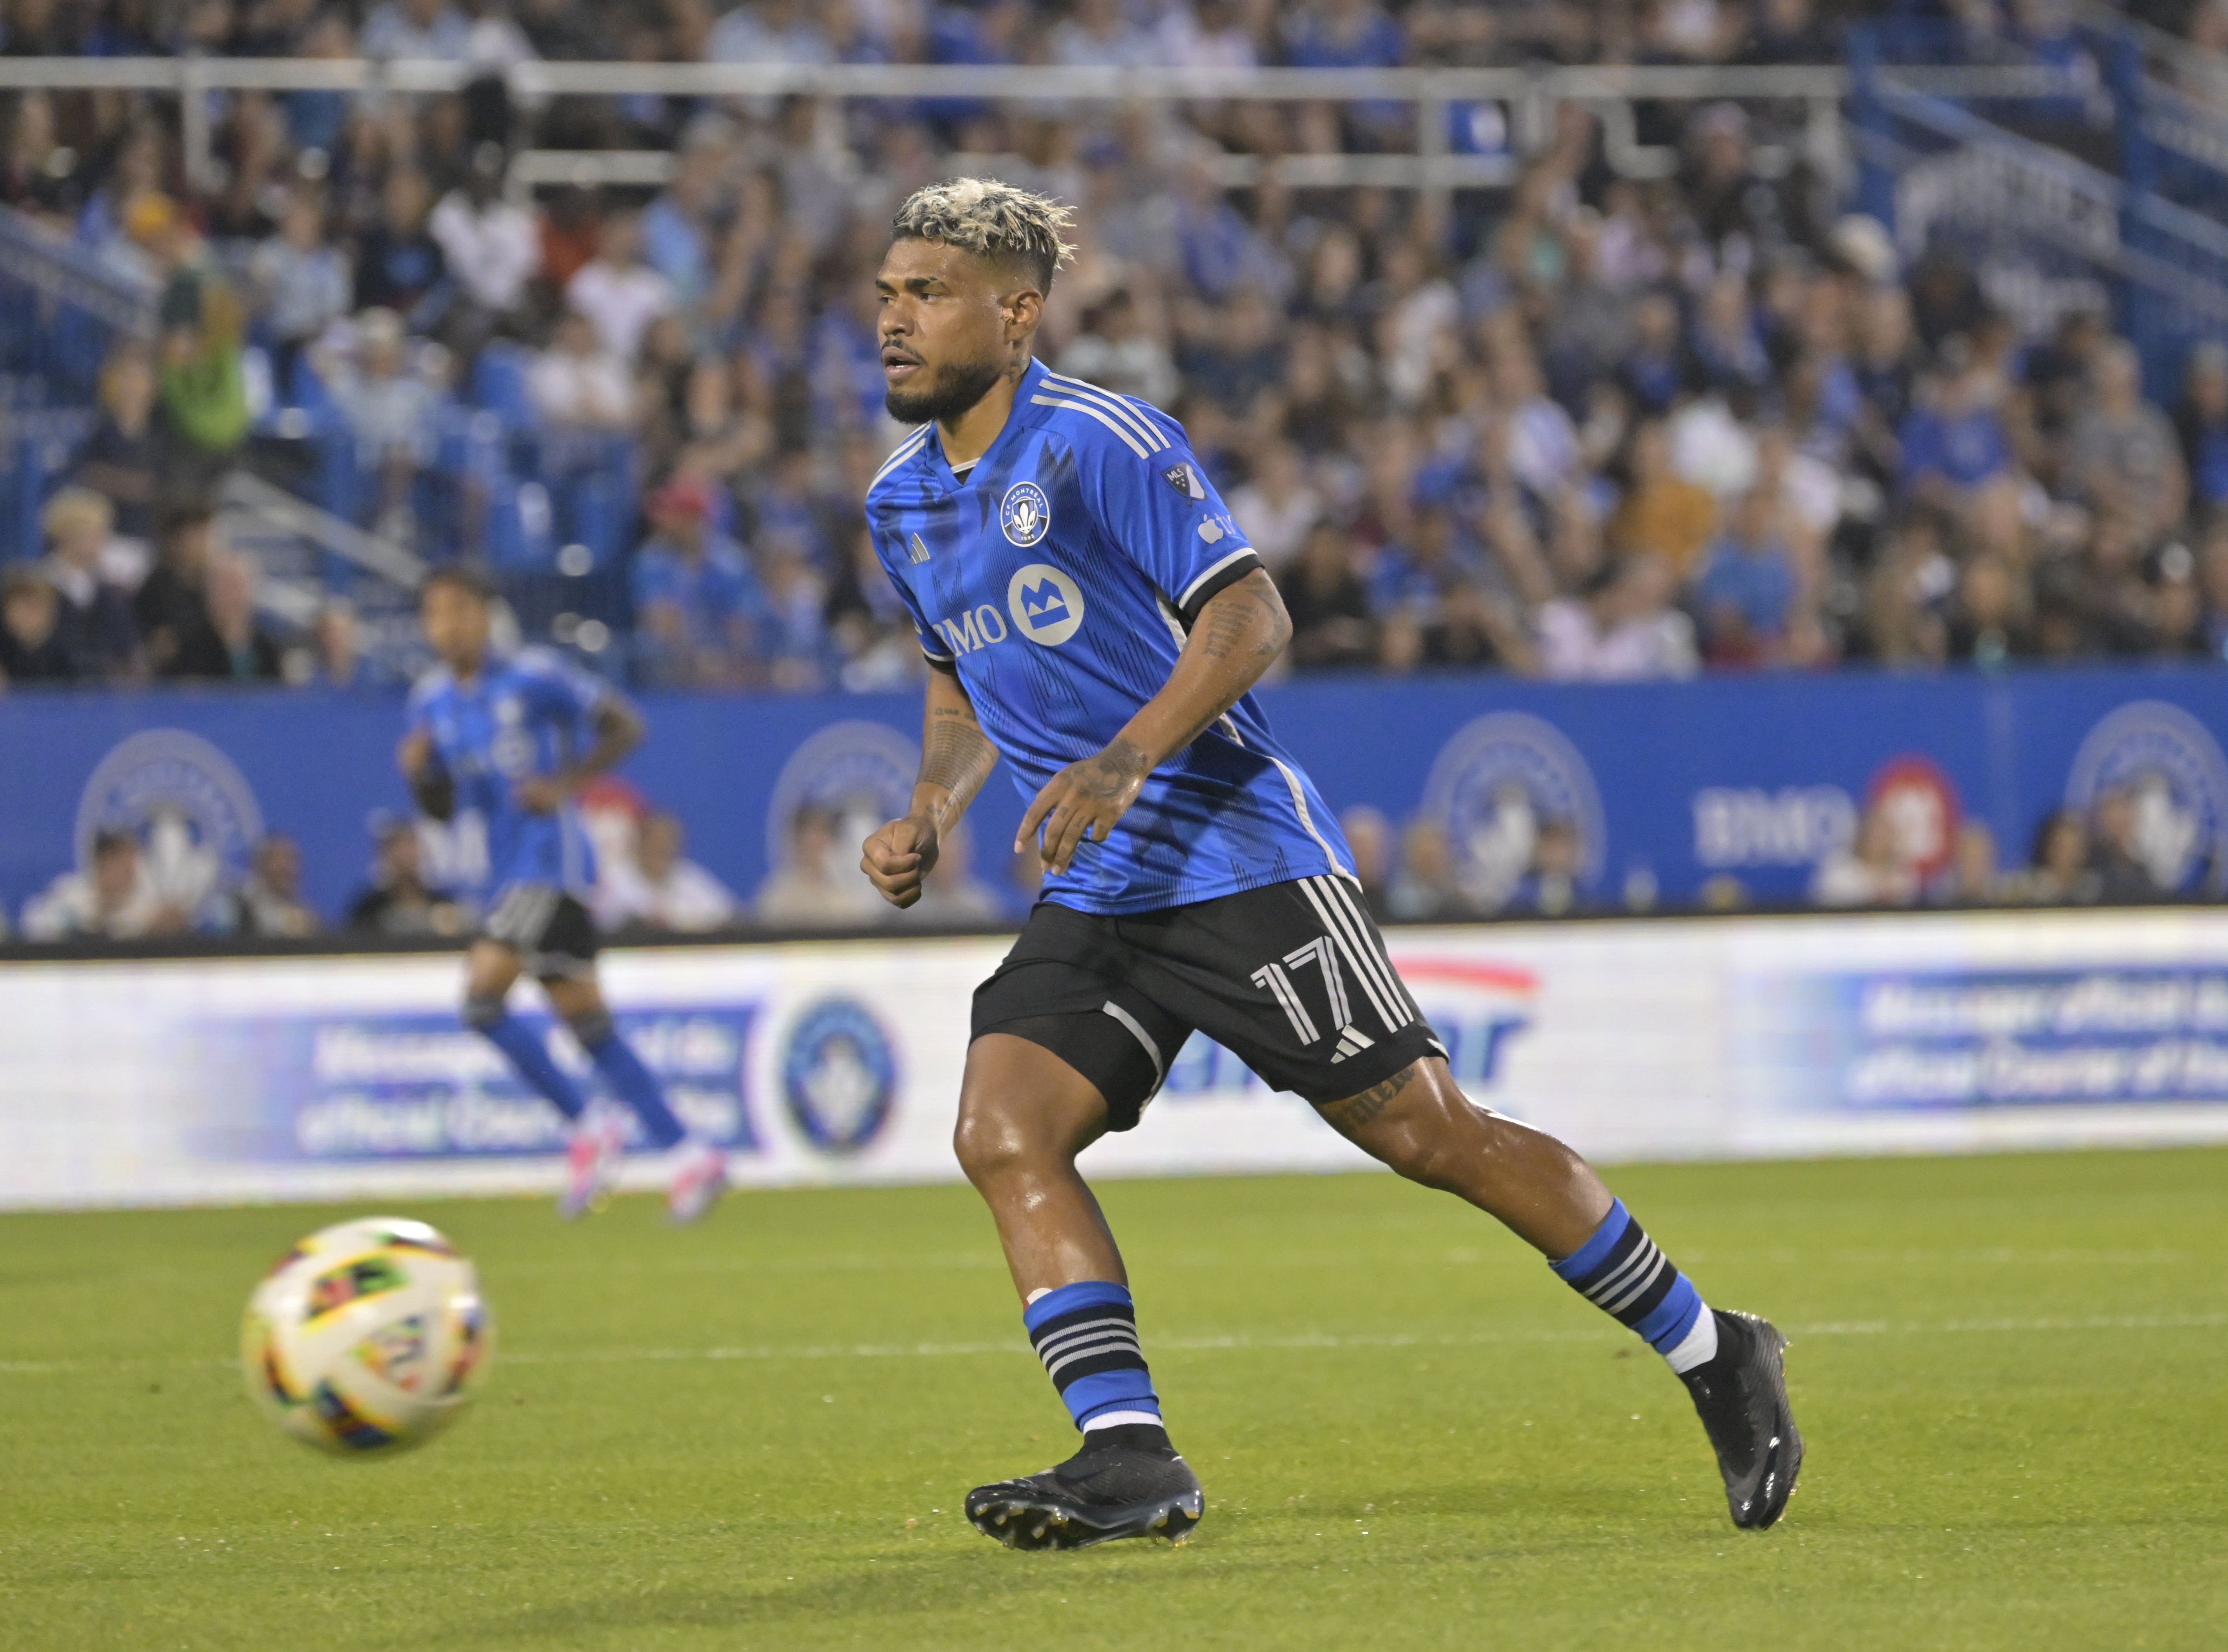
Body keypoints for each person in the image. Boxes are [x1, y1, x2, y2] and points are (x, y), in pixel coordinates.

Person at [856, 179, 1800, 1551]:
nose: (893, 320)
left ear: (1016, 313)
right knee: (1004, 1130)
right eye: (886, 293)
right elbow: (956, 687)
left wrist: (1124, 758)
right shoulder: (899, 504)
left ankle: (1717, 1347)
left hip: (1234, 852)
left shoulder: (1099, 441)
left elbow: (1250, 613)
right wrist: (931, 806)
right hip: (1104, 890)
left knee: (1427, 1133)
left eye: (925, 294)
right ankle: (1129, 1456)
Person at [399, 566, 728, 1223]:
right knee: (588, 1024)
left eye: (461, 610)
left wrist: (566, 782)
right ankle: (690, 1154)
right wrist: (420, 775)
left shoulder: (534, 676)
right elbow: (440, 810)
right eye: (436, 615)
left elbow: (625, 725)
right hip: (510, 872)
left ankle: (587, 1122)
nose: (449, 626)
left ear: (485, 614)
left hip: (550, 863)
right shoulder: (432, 702)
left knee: (480, 997)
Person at [595, 810, 739, 934]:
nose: (662, 849)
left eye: (668, 844)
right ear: (640, 842)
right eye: (656, 842)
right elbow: (604, 921)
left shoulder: (687, 876)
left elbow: (727, 916)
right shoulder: (615, 877)